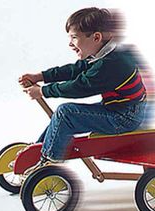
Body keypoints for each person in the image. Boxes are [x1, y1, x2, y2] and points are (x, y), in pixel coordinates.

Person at [19, 7, 147, 162]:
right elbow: (76, 69)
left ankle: (48, 160)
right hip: (119, 108)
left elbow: (80, 86)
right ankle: (38, 150)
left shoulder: (110, 64)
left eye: (74, 38)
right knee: (63, 116)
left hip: (125, 117)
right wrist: (41, 76)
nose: (70, 44)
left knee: (65, 113)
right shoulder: (104, 53)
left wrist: (43, 91)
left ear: (96, 37)